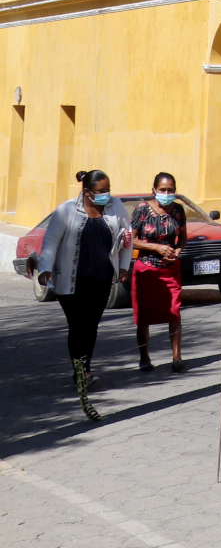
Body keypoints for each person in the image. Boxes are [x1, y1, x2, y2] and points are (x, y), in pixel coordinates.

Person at [31, 170, 131, 420]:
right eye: (101, 191)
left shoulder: (116, 206)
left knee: (91, 325)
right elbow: (51, 242)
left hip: (101, 278)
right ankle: (80, 371)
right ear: (87, 192)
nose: (107, 195)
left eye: (109, 189)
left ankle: (85, 366)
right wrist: (45, 268)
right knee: (78, 325)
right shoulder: (66, 210)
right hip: (71, 279)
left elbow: (126, 238)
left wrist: (123, 267)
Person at [129, 173, 187, 373]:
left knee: (174, 312)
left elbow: (183, 237)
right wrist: (156, 248)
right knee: (144, 315)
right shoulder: (142, 210)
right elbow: (131, 240)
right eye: (163, 190)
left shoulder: (178, 210)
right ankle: (144, 358)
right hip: (146, 269)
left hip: (171, 269)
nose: (167, 193)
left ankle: (177, 357)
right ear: (154, 190)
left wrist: (177, 251)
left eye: (170, 190)